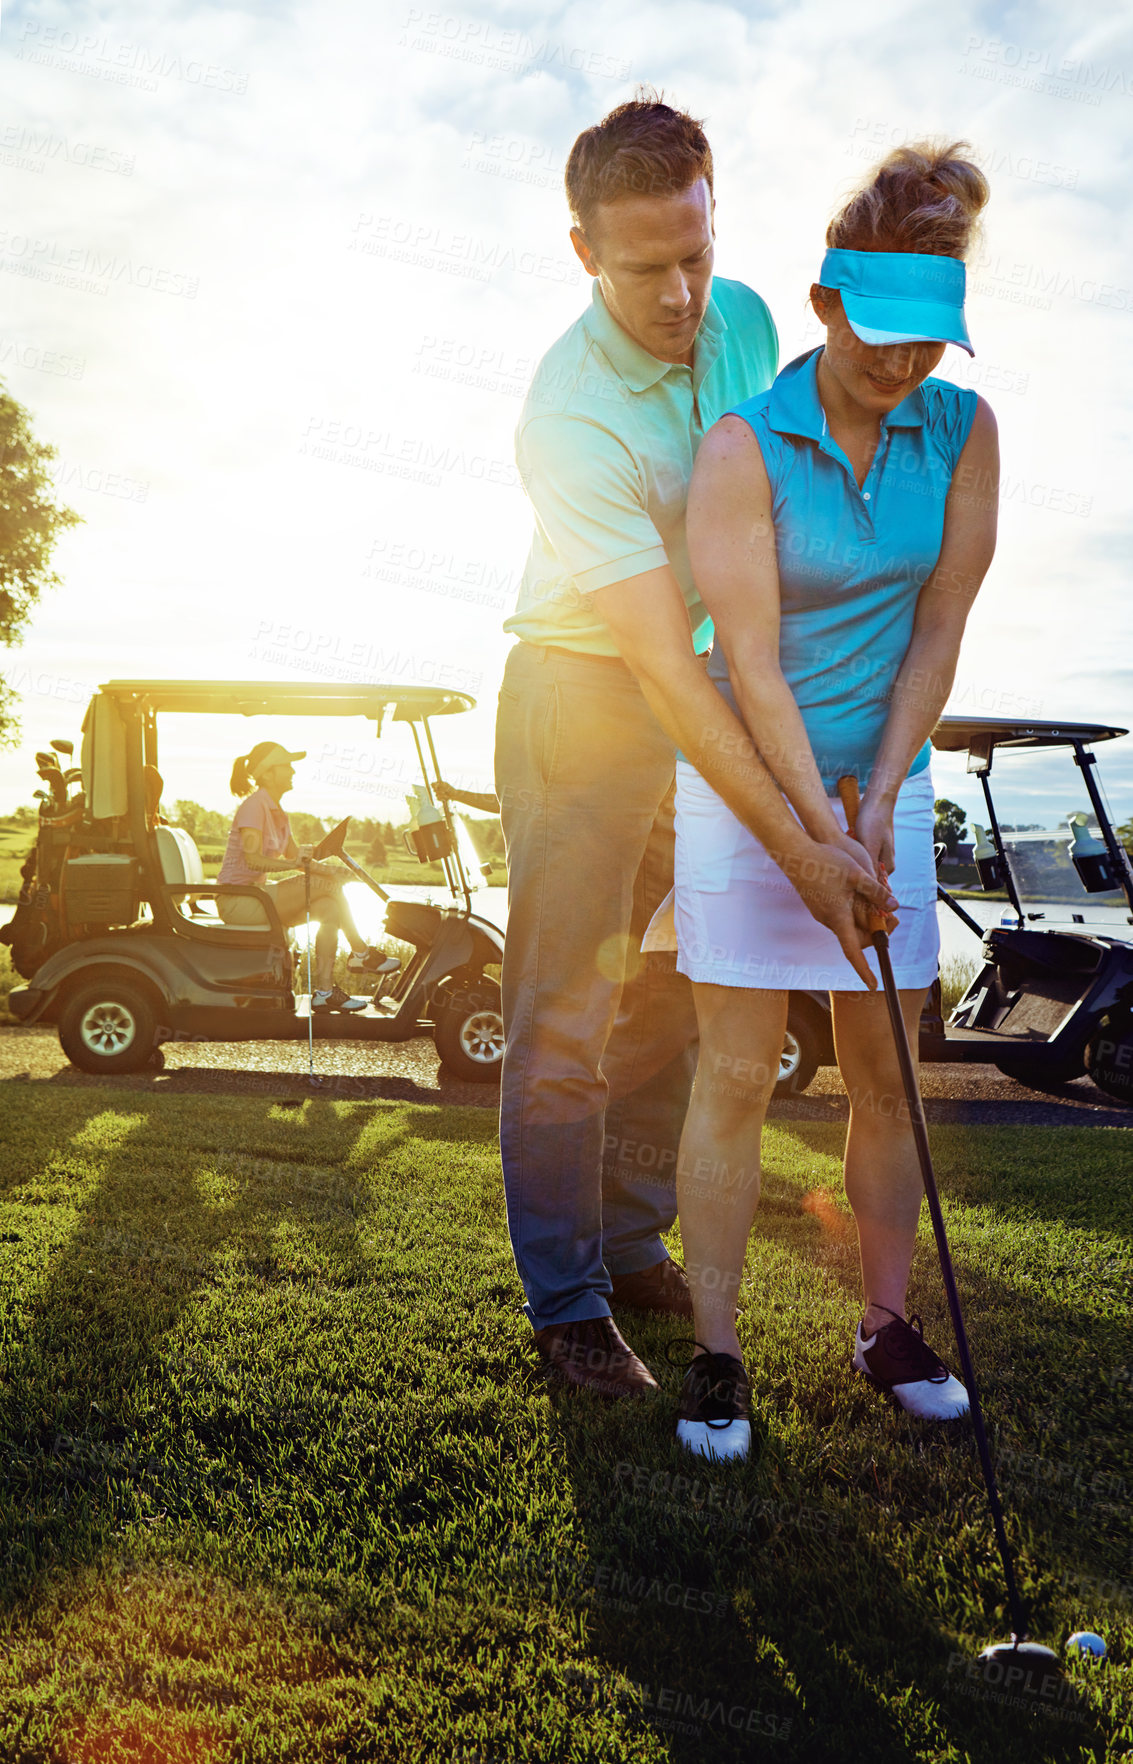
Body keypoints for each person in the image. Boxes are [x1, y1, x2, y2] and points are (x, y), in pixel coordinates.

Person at [496, 94, 894, 1402]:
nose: (680, 295)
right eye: (643, 267)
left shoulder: (750, 322)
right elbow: (659, 663)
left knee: (676, 983)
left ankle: (630, 1239)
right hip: (587, 694)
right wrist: (801, 842)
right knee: (564, 1015)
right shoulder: (566, 417)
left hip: (712, 684)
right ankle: (566, 1306)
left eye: (696, 254)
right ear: (580, 252)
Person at [669, 142, 1000, 1459]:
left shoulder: (963, 434)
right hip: (751, 791)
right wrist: (813, 824)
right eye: (879, 338)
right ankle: (714, 1356)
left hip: (885, 789)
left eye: (929, 344)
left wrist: (872, 815)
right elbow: (745, 662)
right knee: (739, 1071)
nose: (901, 367)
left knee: (883, 1070)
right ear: (823, 305)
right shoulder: (744, 446)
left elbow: (939, 626)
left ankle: (881, 1326)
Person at [216, 740, 386, 1012]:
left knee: (329, 907)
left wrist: (332, 869)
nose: (293, 772)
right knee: (325, 885)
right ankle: (361, 953)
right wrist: (315, 870)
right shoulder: (253, 806)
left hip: (257, 897)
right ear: (268, 772)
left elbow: (297, 859)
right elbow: (254, 860)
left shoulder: (278, 813)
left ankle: (325, 992)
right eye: (287, 766)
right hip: (238, 901)